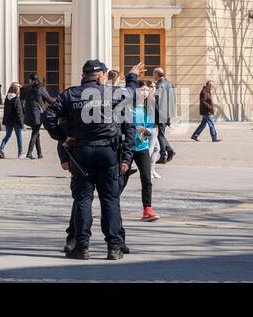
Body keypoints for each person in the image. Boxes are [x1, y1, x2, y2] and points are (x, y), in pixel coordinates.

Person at [50, 59, 134, 260]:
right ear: (101, 76)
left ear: (84, 74)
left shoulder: (70, 94)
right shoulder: (113, 93)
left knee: (83, 199)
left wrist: (63, 137)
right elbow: (129, 123)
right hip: (108, 151)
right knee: (110, 199)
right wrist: (127, 158)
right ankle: (113, 247)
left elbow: (49, 117)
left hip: (82, 151)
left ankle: (82, 246)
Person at [119, 83, 159, 221]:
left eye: (147, 90)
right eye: (142, 90)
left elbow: (150, 128)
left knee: (147, 179)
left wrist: (147, 131)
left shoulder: (149, 109)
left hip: (142, 147)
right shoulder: (128, 107)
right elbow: (122, 126)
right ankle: (112, 206)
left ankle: (147, 210)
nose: (145, 93)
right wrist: (135, 128)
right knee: (122, 179)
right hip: (128, 148)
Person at [20, 73, 54, 159]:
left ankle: (40, 154)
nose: (29, 81)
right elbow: (49, 100)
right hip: (38, 114)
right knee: (35, 132)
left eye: (29, 80)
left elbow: (22, 100)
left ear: (31, 80)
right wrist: (57, 104)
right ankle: (29, 152)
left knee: (36, 132)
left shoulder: (27, 89)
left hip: (29, 114)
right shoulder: (41, 89)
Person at [152, 68, 177, 163]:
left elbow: (157, 102)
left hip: (161, 113)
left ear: (157, 74)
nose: (153, 75)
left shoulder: (159, 85)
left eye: (154, 73)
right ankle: (169, 151)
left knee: (160, 135)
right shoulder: (170, 83)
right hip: (168, 112)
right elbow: (173, 99)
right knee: (160, 134)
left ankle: (163, 155)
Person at [0, 81, 25, 159]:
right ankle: (20, 153)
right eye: (18, 89)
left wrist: (17, 85)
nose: (19, 90)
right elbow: (19, 112)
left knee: (7, 135)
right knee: (19, 136)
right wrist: (22, 123)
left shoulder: (7, 98)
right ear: (16, 90)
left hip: (8, 120)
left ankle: (0, 149)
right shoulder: (16, 99)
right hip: (16, 120)